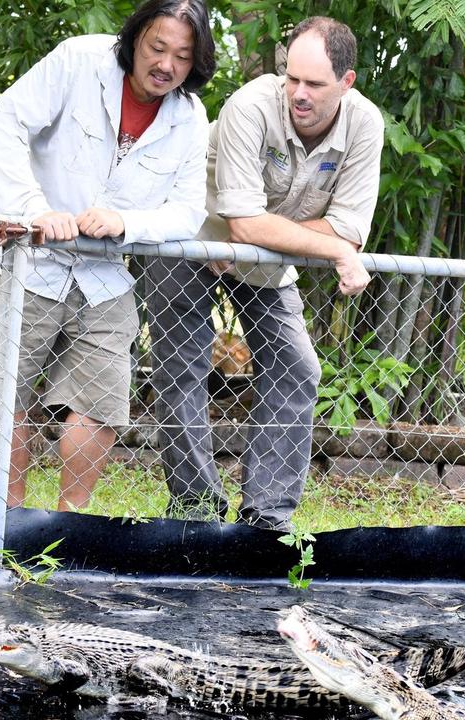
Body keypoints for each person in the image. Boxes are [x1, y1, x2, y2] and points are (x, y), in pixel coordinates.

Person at [0, 0, 216, 511]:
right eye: (157, 48)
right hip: (15, 252)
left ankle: (68, 528)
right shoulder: (78, 61)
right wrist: (33, 209)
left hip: (101, 270)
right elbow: (5, 124)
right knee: (8, 395)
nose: (166, 65)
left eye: (181, 56)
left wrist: (125, 223)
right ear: (134, 38)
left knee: (102, 398)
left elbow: (187, 211)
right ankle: (8, 526)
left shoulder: (191, 120)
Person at [147, 16, 384, 531]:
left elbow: (346, 229)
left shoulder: (365, 125)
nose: (298, 93)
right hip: (193, 239)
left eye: (314, 84)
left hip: (269, 261)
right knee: (182, 366)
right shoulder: (251, 104)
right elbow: (244, 222)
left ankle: (266, 518)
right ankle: (197, 508)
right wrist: (322, 246)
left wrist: (273, 234)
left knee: (298, 370)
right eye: (291, 78)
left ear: (347, 83)